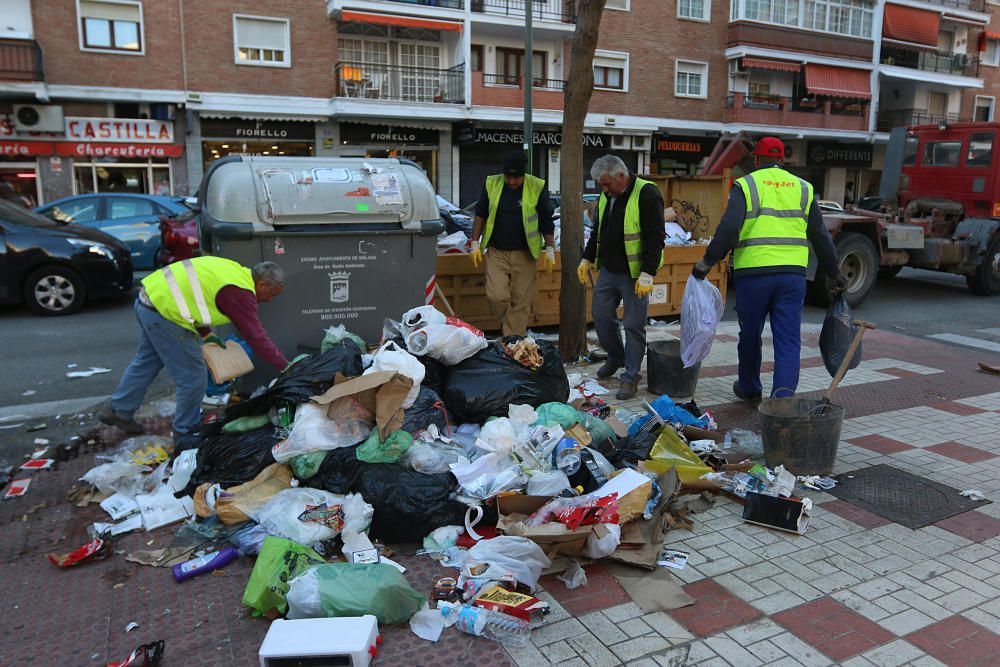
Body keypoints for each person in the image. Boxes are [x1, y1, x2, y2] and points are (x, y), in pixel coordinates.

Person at [691, 136, 845, 402]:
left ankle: (750, 389)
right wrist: (834, 272)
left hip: (754, 275)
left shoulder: (747, 185)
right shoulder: (803, 188)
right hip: (792, 276)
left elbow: (728, 229)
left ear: (758, 159)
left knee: (750, 335)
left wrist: (706, 263)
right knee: (787, 339)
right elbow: (820, 236)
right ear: (782, 159)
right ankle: (782, 399)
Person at [100, 257, 290, 447]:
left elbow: (194, 297)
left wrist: (206, 333)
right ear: (263, 283)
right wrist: (287, 366)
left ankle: (119, 411)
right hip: (166, 315)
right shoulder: (240, 293)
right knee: (192, 377)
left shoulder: (236, 272)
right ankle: (185, 431)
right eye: (272, 294)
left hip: (149, 300)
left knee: (146, 362)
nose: (270, 299)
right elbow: (256, 337)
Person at [577, 155, 666, 400]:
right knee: (601, 316)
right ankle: (615, 357)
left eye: (606, 184)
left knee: (633, 326)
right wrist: (587, 258)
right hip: (609, 270)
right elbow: (598, 231)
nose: (603, 190)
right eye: (601, 185)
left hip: (635, 274)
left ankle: (631, 377)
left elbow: (656, 236)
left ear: (621, 176)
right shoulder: (609, 195)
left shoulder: (646, 194)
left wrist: (648, 273)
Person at [470, 150, 556, 336]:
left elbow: (546, 219)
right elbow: (480, 213)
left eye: (516, 178)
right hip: (497, 251)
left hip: (525, 252)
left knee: (521, 300)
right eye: (508, 177)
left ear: (523, 174)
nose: (512, 182)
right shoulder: (492, 183)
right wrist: (474, 242)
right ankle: (512, 328)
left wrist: (550, 248)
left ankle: (512, 343)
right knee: (496, 295)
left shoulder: (537, 186)